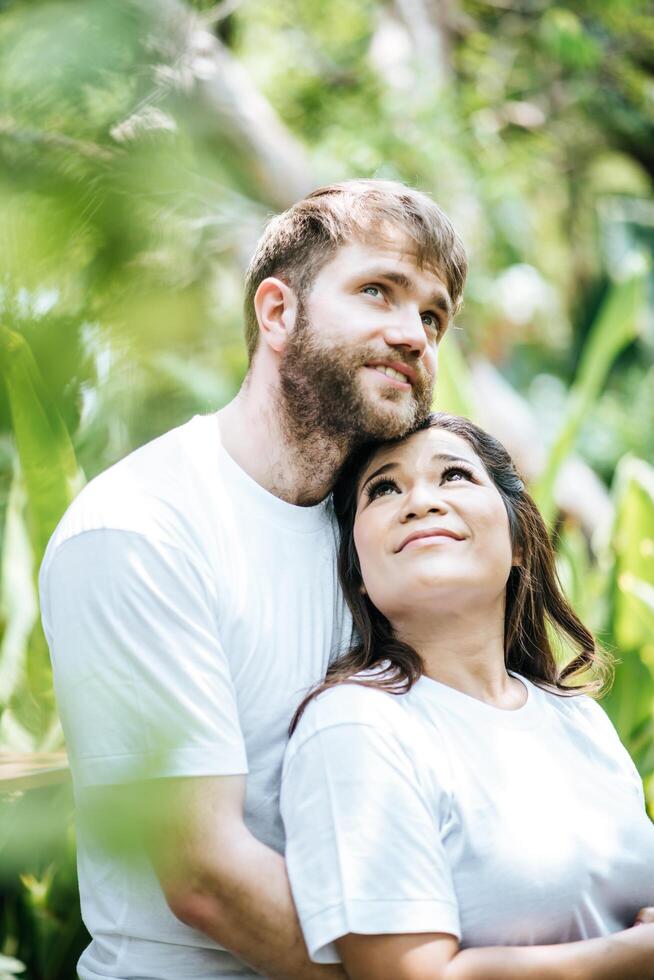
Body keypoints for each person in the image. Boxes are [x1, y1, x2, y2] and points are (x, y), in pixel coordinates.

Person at [38, 180, 467, 979]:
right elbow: (204, 876)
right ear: (278, 313)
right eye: (378, 290)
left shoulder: (383, 530)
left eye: (433, 316)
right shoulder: (142, 526)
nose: (412, 333)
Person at [281, 412, 654, 980]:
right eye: (384, 488)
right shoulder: (357, 726)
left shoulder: (579, 719)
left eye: (453, 476)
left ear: (520, 541)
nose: (420, 502)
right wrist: (632, 956)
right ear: (357, 572)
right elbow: (410, 975)